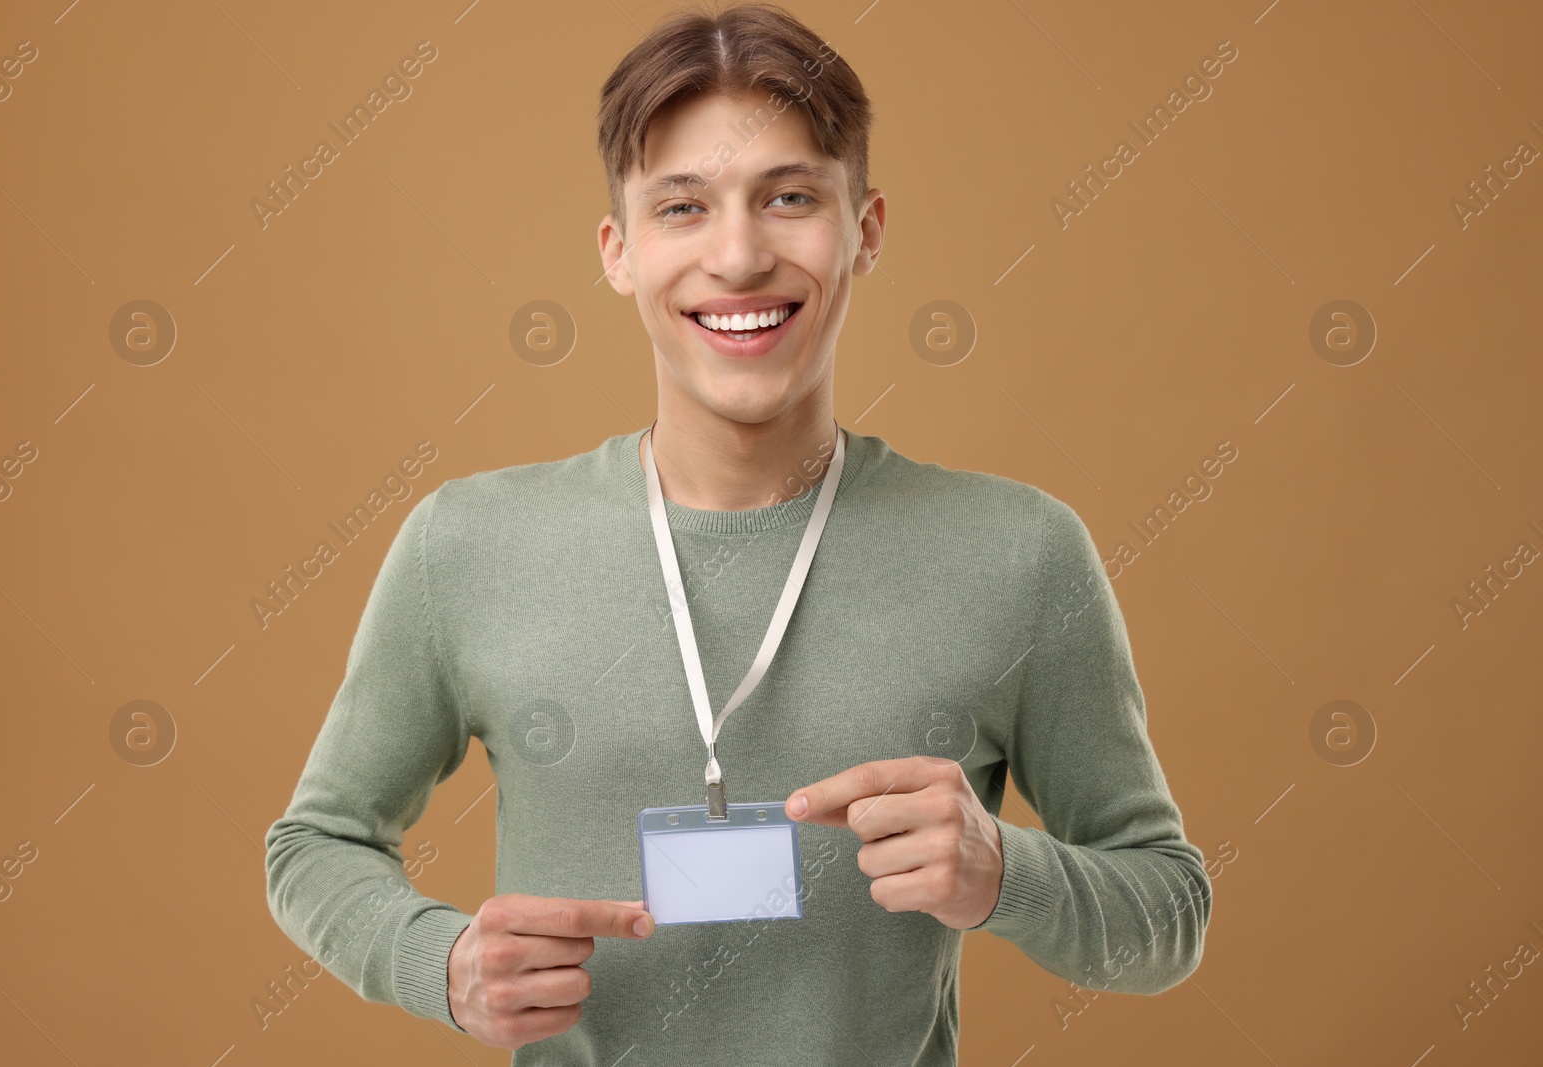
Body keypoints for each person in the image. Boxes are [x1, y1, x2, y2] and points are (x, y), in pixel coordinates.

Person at [263, 2, 1212, 1062]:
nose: (739, 254)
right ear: (618, 252)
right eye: (682, 207)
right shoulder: (467, 545)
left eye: (790, 197)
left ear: (867, 229)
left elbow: (1165, 917)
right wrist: (434, 960)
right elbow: (317, 843)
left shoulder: (1019, 551)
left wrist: (1005, 871)